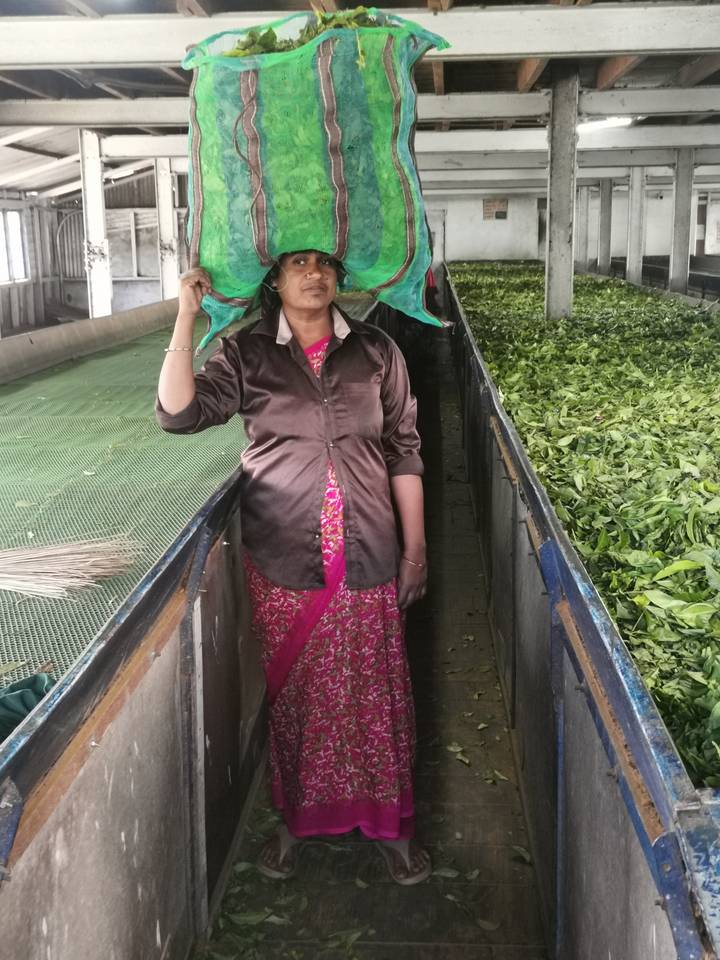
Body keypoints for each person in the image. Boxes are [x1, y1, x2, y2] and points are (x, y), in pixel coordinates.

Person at [156, 250, 431, 885]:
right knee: (298, 692)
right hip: (285, 556)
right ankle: (296, 820)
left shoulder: (377, 350)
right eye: (298, 264)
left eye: (326, 264)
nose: (315, 275)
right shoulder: (247, 352)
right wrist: (184, 319)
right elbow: (178, 415)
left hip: (369, 551)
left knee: (375, 687)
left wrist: (415, 549)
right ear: (273, 280)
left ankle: (391, 826)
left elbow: (404, 450)